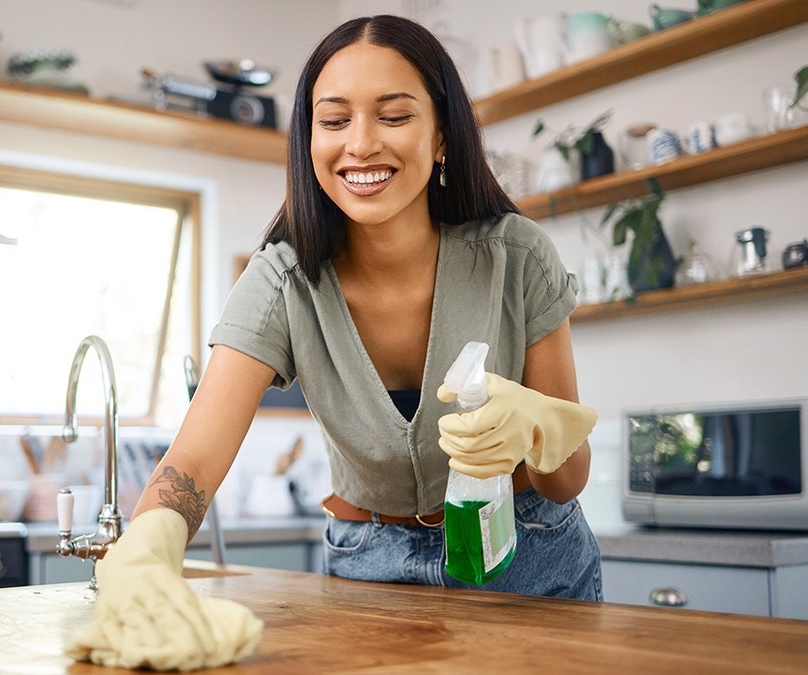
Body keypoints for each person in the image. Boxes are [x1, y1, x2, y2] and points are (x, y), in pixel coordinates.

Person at [66, 14, 600, 669]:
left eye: (395, 116)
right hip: (367, 569)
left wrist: (539, 427)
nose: (362, 143)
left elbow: (566, 482)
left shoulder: (519, 258)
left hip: (530, 561)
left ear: (441, 139)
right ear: (308, 140)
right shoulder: (280, 281)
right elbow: (194, 461)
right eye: (335, 119)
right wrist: (146, 548)